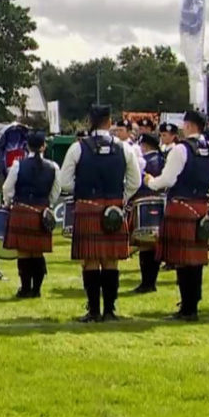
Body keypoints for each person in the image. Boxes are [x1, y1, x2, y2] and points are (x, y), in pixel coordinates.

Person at [144, 110, 209, 321]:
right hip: (202, 207)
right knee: (196, 259)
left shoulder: (181, 149)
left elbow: (167, 180)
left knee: (182, 260)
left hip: (181, 207)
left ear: (188, 126)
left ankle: (187, 308)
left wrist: (151, 182)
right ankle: (192, 305)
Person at [60, 106, 141, 321]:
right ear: (109, 122)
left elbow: (64, 182)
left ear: (90, 121)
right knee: (111, 260)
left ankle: (94, 311)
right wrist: (121, 198)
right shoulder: (124, 148)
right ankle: (110, 310)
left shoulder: (77, 148)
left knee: (90, 260)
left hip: (88, 208)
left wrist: (83, 192)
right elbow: (135, 181)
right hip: (114, 209)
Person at [2, 131, 61, 299]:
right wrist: (47, 205)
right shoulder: (53, 167)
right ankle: (37, 289)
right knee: (37, 252)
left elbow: (7, 188)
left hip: (21, 211)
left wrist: (8, 203)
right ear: (44, 146)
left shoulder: (18, 165)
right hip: (41, 212)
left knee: (24, 252)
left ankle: (25, 288)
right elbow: (56, 191)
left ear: (27, 146)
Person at [131, 132, 166, 293]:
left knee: (145, 245)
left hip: (144, 203)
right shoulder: (163, 159)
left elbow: (137, 182)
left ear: (144, 145)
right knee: (154, 244)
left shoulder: (143, 161)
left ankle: (147, 283)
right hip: (161, 203)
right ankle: (151, 281)